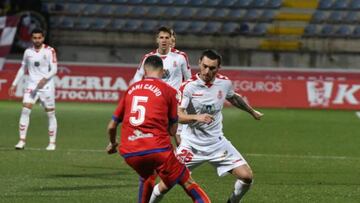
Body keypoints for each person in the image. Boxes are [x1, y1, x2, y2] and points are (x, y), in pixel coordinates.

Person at [150, 50, 264, 203]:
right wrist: (197, 117)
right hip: (191, 146)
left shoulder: (224, 83)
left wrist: (252, 112)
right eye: (204, 66)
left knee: (246, 177)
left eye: (212, 68)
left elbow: (233, 97)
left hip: (217, 143)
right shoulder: (188, 87)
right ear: (199, 63)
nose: (207, 71)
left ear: (218, 68)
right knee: (166, 184)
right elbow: (178, 116)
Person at [106, 55, 211, 203]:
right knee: (188, 182)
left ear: (144, 70)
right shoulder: (169, 91)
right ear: (162, 71)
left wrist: (112, 144)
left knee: (147, 176)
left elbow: (111, 126)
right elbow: (173, 131)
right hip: (157, 150)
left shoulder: (130, 90)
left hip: (130, 152)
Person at [9, 28, 58, 151]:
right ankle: (21, 141)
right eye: (35, 38)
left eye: (39, 38)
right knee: (25, 111)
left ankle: (52, 142)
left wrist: (45, 79)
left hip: (46, 86)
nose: (37, 40)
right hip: (31, 86)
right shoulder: (28, 52)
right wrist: (14, 84)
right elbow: (22, 68)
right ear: (32, 39)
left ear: (43, 38)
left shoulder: (49, 51)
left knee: (50, 114)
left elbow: (54, 69)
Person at [131, 26, 191, 91]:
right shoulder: (148, 57)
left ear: (170, 40)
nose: (164, 40)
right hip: (156, 96)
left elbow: (188, 79)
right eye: (161, 38)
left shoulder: (181, 57)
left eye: (166, 38)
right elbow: (138, 77)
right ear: (157, 39)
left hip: (174, 98)